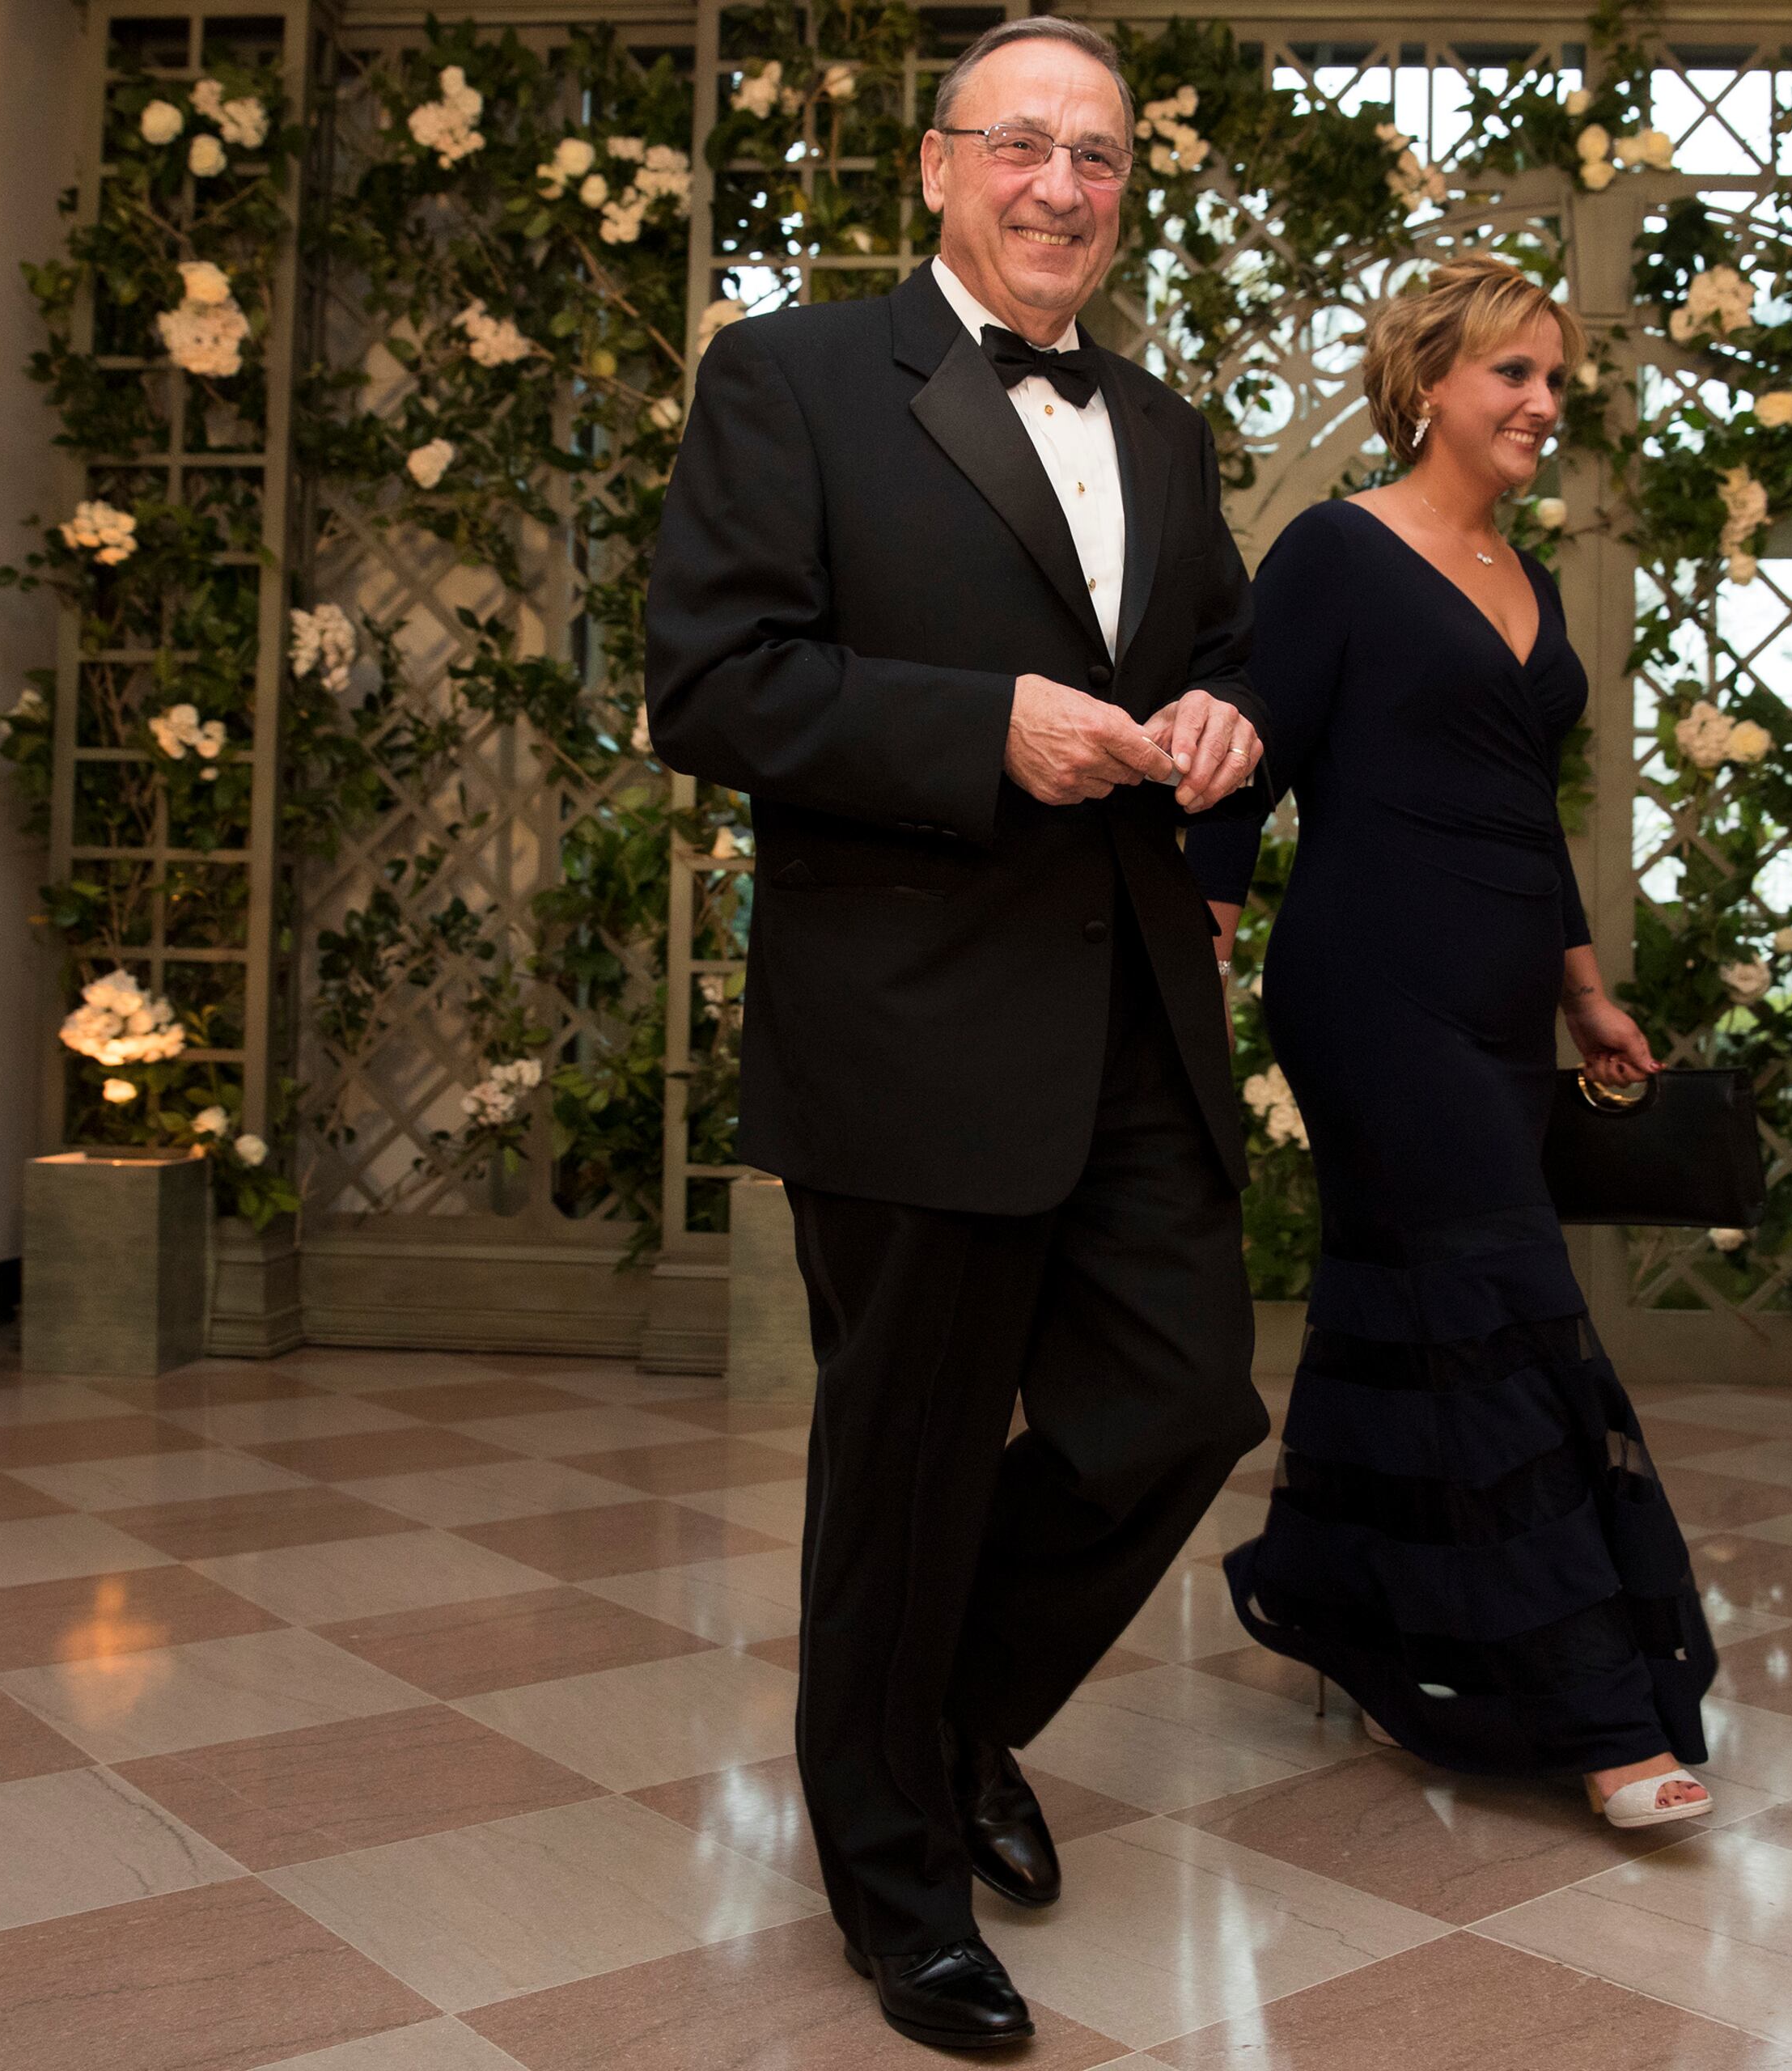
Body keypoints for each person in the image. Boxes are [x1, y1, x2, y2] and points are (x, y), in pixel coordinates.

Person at [644, 17, 1273, 2052]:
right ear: (937, 168)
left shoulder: (1165, 428)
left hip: (1133, 1021)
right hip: (907, 1027)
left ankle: (941, 1718)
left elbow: (1229, 652)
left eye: (1096, 155)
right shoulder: (794, 377)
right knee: (904, 1470)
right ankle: (896, 1880)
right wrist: (974, 728)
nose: (1061, 187)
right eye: (1022, 144)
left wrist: (1227, 730)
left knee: (1178, 1403)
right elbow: (715, 684)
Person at [1188, 255, 1718, 1831]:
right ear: (1432, 383)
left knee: (1405, 1295)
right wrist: (1204, 950)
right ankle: (1598, 1705)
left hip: (1497, 1001)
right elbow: (1239, 761)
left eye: (1559, 380)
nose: (1549, 404)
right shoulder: (1340, 553)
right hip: (1371, 986)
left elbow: (1520, 806)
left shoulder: (1522, 573)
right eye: (1517, 376)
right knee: (1508, 1303)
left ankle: (1350, 1598)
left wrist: (1581, 989)